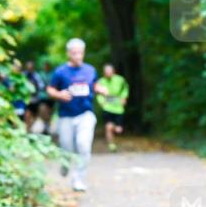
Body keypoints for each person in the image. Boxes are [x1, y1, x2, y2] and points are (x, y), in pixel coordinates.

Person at [46, 38, 109, 192]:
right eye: (74, 53)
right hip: (66, 115)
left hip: (86, 114)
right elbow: (50, 89)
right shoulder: (60, 72)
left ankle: (78, 179)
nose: (78, 56)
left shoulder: (90, 70)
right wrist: (59, 95)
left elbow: (93, 85)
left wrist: (100, 89)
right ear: (68, 53)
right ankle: (65, 163)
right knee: (66, 147)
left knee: (83, 145)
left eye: (80, 53)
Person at [95, 63, 129, 151]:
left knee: (118, 130)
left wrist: (124, 98)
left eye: (109, 72)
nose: (108, 74)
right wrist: (101, 102)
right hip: (107, 107)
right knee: (108, 127)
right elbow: (98, 94)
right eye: (106, 72)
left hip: (118, 108)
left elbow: (125, 89)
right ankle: (111, 145)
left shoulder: (120, 80)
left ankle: (116, 128)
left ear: (113, 72)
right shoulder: (101, 81)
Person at [23, 59, 49, 134]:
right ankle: (27, 130)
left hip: (35, 99)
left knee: (35, 115)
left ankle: (32, 130)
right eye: (28, 66)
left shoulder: (36, 76)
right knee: (27, 115)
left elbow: (41, 86)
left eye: (31, 66)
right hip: (26, 100)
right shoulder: (23, 75)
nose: (29, 68)